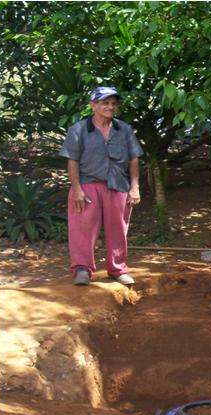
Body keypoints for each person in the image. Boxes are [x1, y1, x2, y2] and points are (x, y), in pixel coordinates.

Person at [59, 86, 143, 286]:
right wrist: (77, 188)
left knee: (118, 229)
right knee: (82, 228)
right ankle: (82, 269)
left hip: (118, 185)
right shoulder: (78, 129)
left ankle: (117, 269)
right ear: (93, 105)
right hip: (87, 185)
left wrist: (135, 187)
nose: (110, 107)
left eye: (113, 103)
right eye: (105, 103)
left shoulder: (124, 129)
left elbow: (134, 159)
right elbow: (72, 161)